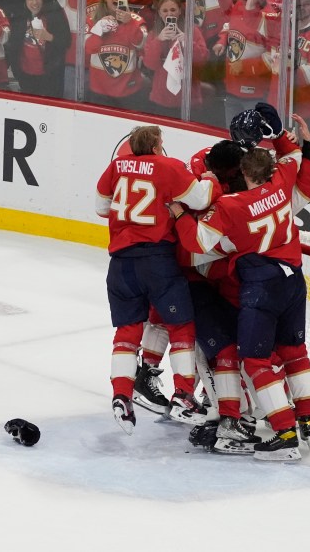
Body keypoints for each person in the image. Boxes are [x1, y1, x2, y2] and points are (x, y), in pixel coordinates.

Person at [172, 111, 310, 461]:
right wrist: (282, 132)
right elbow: (294, 157)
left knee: (252, 359)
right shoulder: (283, 183)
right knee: (294, 352)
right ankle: (306, 419)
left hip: (261, 286)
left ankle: (284, 434)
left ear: (242, 174)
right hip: (294, 281)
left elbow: (197, 243)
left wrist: (179, 215)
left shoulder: (231, 205)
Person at [95, 125, 219, 435]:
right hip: (157, 261)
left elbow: (100, 208)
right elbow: (202, 198)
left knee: (127, 333)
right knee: (181, 326)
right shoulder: (169, 166)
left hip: (121, 264)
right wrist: (212, 180)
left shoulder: (115, 167)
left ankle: (122, 396)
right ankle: (184, 395)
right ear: (155, 145)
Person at [6, 0, 71, 98]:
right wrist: (17, 73)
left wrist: (50, 37)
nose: (34, 2)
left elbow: (66, 42)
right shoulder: (19, 19)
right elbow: (13, 47)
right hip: (26, 77)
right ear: (25, 1)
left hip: (50, 78)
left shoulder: (54, 16)